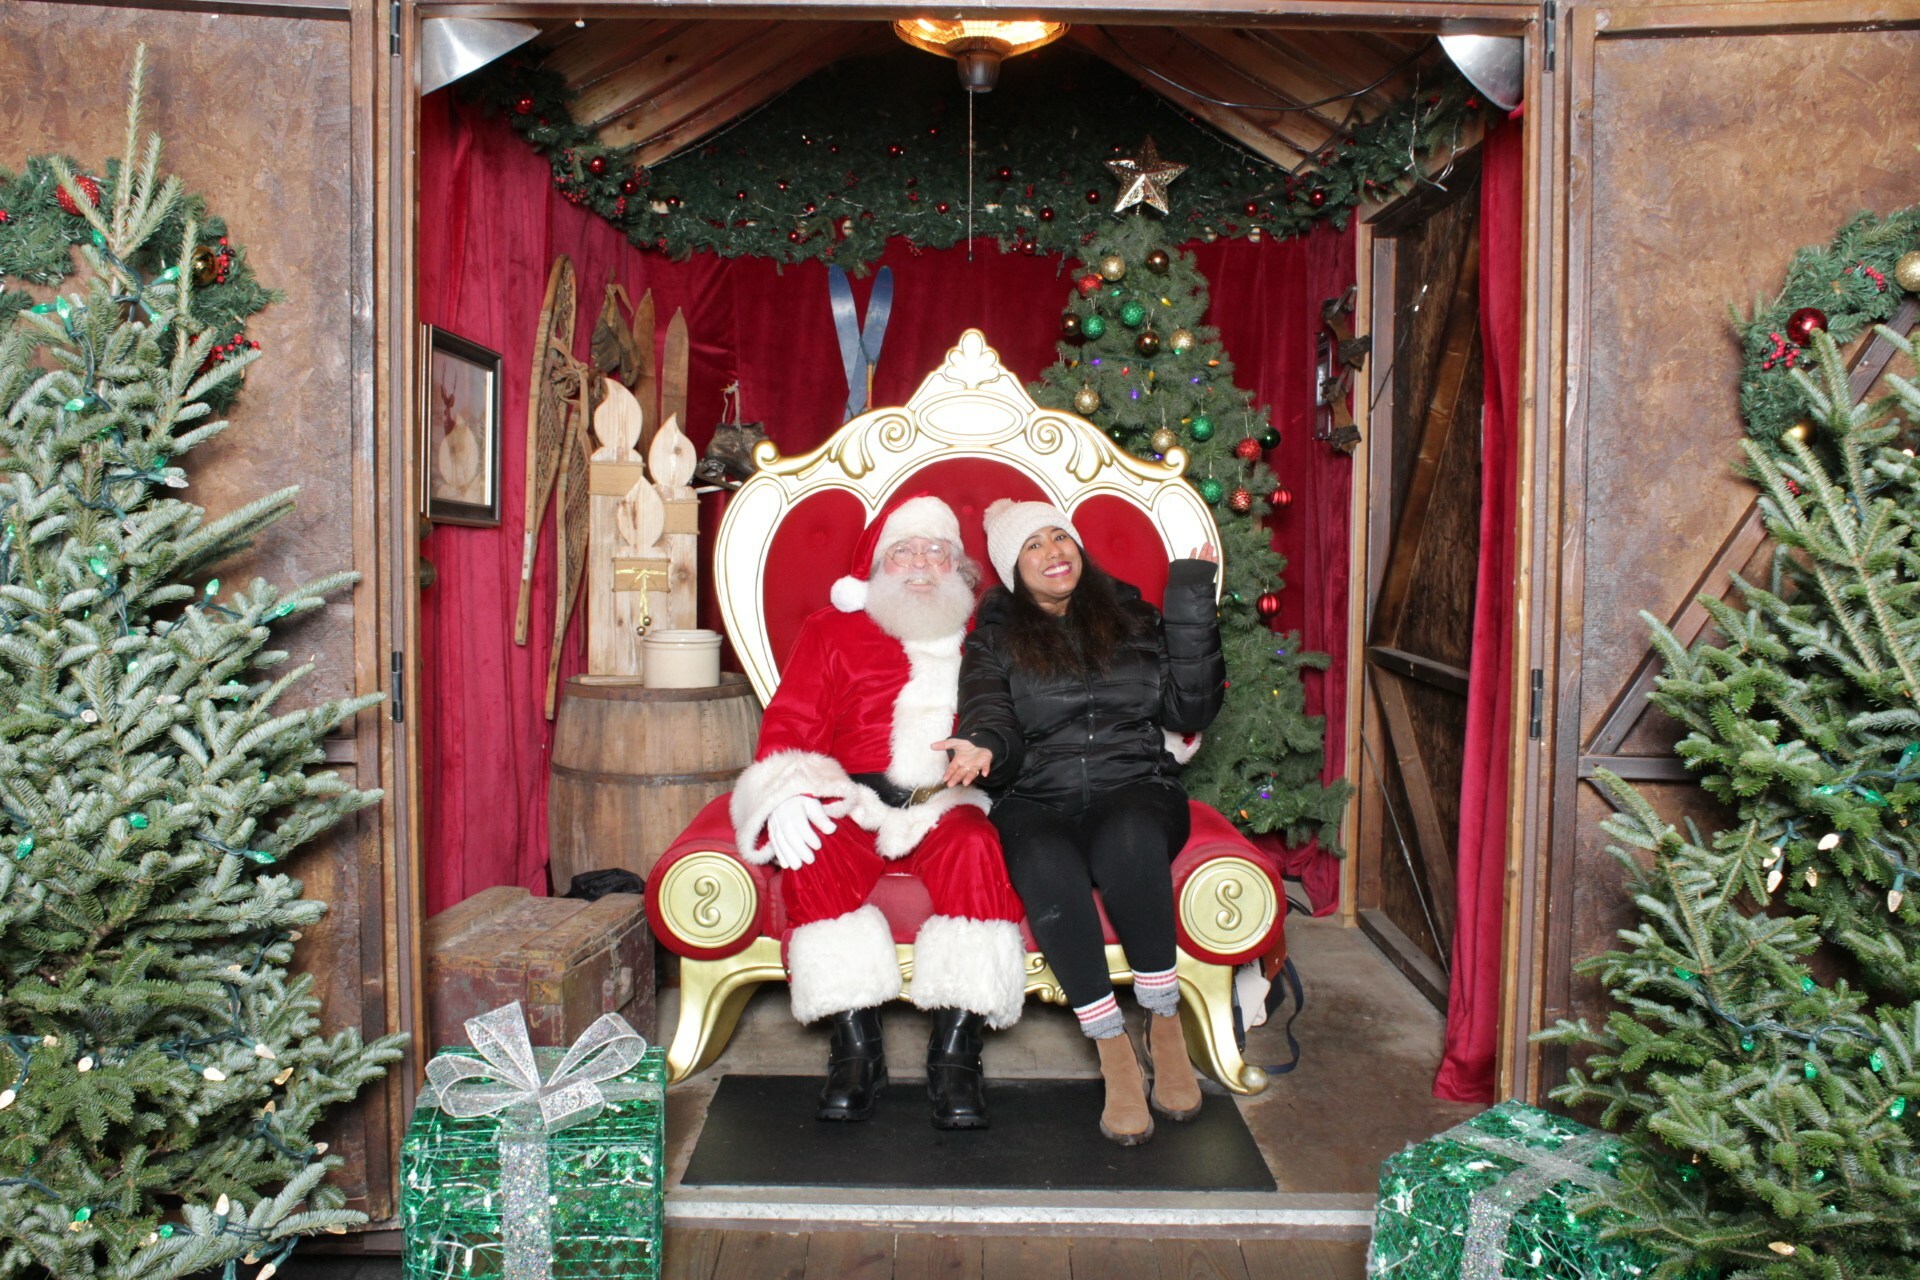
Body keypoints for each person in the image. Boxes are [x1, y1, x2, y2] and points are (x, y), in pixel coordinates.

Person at [729, 492, 1028, 1129]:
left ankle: (957, 1053)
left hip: (951, 799)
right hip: (856, 799)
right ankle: (856, 1049)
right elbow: (790, 725)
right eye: (903, 551)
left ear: (958, 567)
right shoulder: (830, 631)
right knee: (811, 854)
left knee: (977, 848)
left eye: (935, 551)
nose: (919, 563)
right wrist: (787, 793)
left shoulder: (987, 637)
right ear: (877, 566)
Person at [941, 499, 1224, 1146]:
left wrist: (1190, 610)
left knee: (1128, 839)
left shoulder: (1134, 619)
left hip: (1136, 785)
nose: (1053, 552)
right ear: (1014, 570)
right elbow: (989, 713)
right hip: (1038, 794)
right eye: (1033, 545)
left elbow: (1191, 710)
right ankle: (1112, 1048)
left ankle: (1163, 1021)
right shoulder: (993, 640)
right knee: (1044, 863)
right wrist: (982, 746)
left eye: (1059, 536)